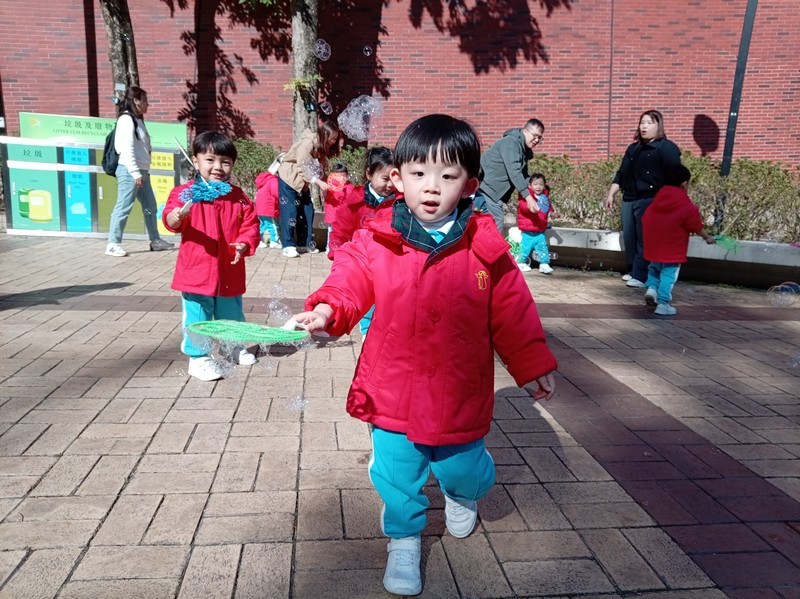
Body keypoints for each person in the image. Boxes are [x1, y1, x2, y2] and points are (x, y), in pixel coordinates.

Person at [290, 114, 557, 596]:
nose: (431, 187)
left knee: (462, 469)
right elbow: (350, 278)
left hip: (460, 389)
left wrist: (532, 363)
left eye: (447, 176)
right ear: (397, 178)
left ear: (469, 184)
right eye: (418, 174)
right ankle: (404, 539)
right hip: (392, 385)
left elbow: (512, 310)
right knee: (397, 474)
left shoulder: (484, 244)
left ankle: (464, 493)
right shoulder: (378, 236)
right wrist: (328, 308)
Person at [162, 131, 260, 382]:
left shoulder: (238, 196)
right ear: (195, 162)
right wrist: (175, 217)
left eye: (225, 162)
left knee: (232, 313)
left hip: (229, 268)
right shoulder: (185, 193)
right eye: (210, 160)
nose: (218, 167)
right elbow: (171, 218)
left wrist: (244, 243)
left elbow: (251, 225)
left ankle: (232, 346)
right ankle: (199, 358)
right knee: (198, 315)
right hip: (196, 270)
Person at [604, 109, 682, 288]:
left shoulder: (667, 148)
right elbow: (622, 173)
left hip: (651, 199)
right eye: (642, 122)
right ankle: (634, 270)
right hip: (630, 198)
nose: (644, 126)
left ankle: (642, 275)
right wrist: (611, 194)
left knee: (645, 238)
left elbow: (676, 176)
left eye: (649, 123)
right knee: (630, 237)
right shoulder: (633, 148)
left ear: (658, 126)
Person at [105, 86, 174, 257]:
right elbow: (125, 148)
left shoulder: (137, 120)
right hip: (130, 171)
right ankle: (113, 244)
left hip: (142, 171)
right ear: (136, 101)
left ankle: (155, 240)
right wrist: (135, 173)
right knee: (123, 206)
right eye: (145, 101)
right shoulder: (126, 119)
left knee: (150, 206)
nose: (147, 104)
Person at [642, 164, 715, 316]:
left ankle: (652, 289)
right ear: (684, 183)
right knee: (668, 275)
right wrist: (707, 237)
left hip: (655, 246)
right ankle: (663, 304)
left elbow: (646, 218)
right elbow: (695, 225)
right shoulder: (685, 205)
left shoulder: (657, 200)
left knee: (654, 269)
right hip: (673, 248)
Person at [276, 121, 344, 258]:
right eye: (332, 138)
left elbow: (320, 170)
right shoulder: (307, 144)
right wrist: (318, 182)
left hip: (303, 183)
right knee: (290, 211)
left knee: (308, 211)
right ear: (324, 134)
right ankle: (288, 245)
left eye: (335, 139)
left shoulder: (322, 148)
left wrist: (328, 184)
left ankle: (304, 243)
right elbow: (303, 167)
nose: (333, 141)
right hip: (289, 179)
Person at [472, 118, 545, 232]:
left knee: (487, 227)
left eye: (539, 138)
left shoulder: (523, 150)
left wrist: (535, 187)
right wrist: (528, 197)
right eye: (535, 136)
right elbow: (514, 171)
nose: (536, 140)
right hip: (487, 191)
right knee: (494, 225)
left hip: (494, 195)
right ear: (525, 131)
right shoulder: (510, 143)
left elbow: (523, 175)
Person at [516, 172, 555, 274]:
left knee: (542, 247)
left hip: (540, 229)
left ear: (544, 185)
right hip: (528, 229)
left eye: (541, 184)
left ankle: (544, 264)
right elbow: (522, 207)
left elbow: (548, 208)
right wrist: (530, 208)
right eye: (535, 184)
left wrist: (552, 213)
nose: (538, 187)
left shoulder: (544, 197)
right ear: (530, 185)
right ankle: (521, 262)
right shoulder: (527, 196)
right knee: (525, 247)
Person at [321, 163, 358, 256]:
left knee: (344, 232)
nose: (342, 178)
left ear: (347, 176)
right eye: (339, 176)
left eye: (344, 176)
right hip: (333, 214)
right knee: (331, 232)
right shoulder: (330, 186)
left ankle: (342, 248)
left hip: (344, 216)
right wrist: (324, 190)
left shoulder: (350, 187)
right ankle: (329, 248)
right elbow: (324, 196)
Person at [254, 170, 281, 249]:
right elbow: (276, 193)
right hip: (269, 208)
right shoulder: (273, 180)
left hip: (260, 208)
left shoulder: (264, 180)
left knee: (262, 225)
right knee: (273, 225)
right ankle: (274, 241)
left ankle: (258, 240)